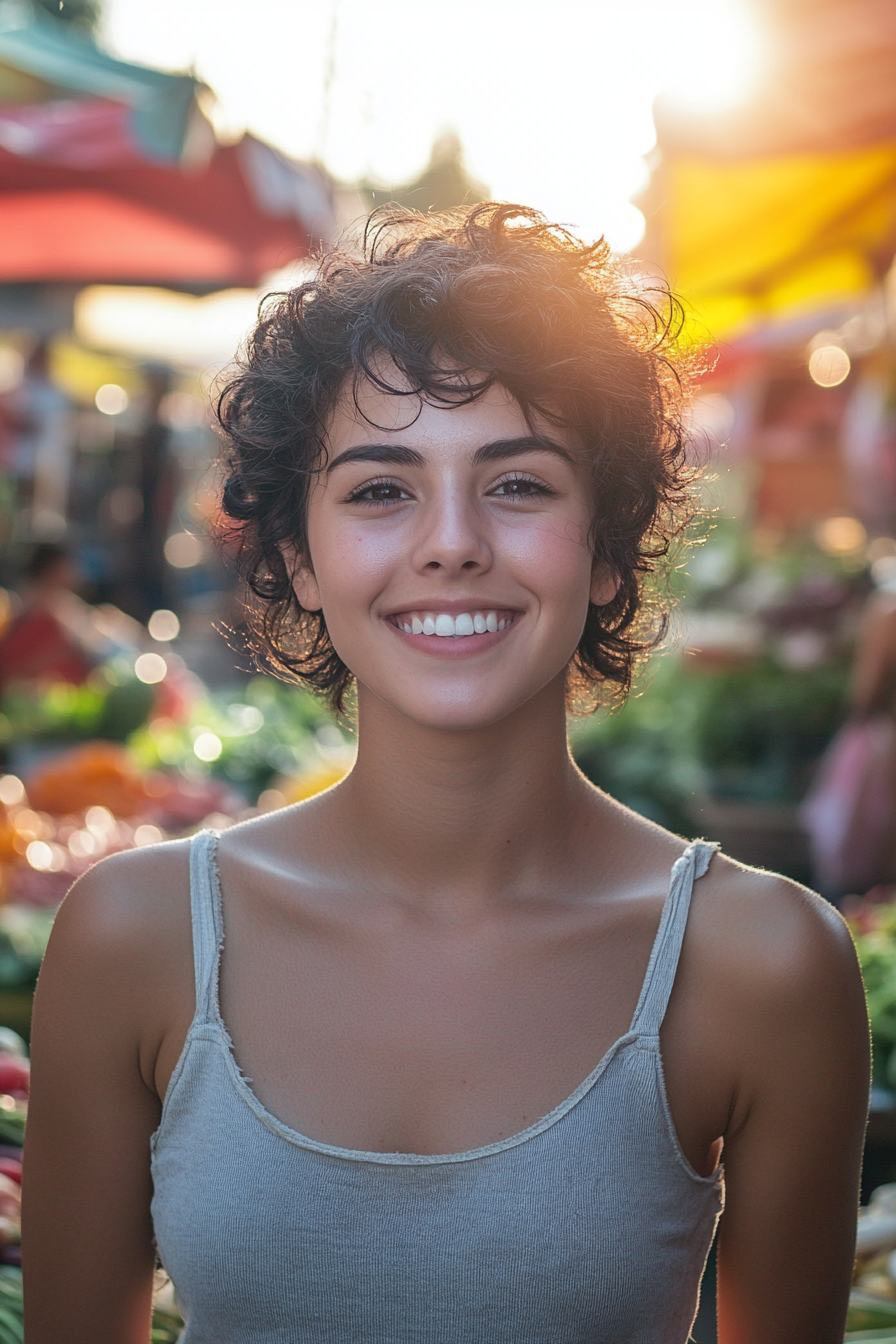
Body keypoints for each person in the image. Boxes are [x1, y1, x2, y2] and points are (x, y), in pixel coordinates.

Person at [25, 206, 869, 1343]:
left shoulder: (761, 964)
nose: (451, 541)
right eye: (380, 489)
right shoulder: (135, 936)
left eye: (518, 485)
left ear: (607, 549)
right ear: (293, 559)